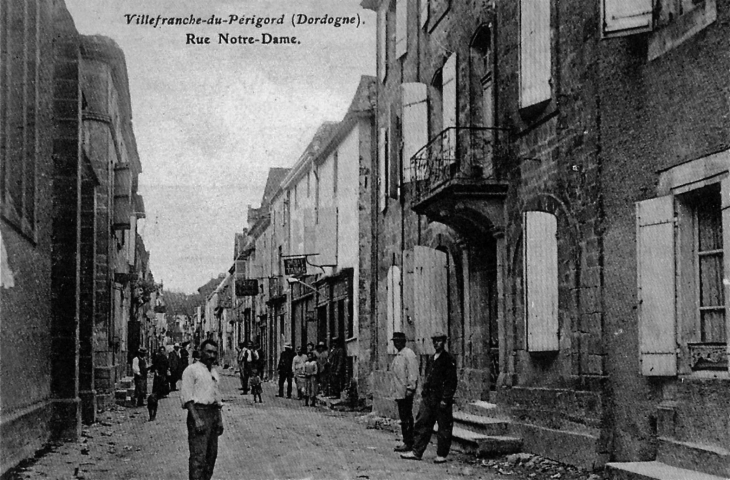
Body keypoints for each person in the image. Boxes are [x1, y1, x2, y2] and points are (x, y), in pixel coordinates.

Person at [400, 331, 457, 464]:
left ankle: (442, 454)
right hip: (429, 398)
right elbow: (428, 377)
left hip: (441, 399)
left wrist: (445, 399)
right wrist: (424, 393)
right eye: (434, 341)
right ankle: (417, 451)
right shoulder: (432, 359)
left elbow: (451, 382)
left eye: (439, 341)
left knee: (444, 427)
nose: (436, 343)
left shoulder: (448, 359)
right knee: (422, 423)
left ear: (444, 342)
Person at [181, 339, 223, 480]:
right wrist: (197, 419)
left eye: (214, 353)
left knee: (211, 457)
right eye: (209, 352)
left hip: (212, 414)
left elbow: (216, 399)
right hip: (198, 414)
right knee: (198, 457)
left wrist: (219, 420)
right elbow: (187, 398)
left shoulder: (214, 372)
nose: (212, 355)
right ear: (200, 352)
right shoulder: (191, 370)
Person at [390, 332, 419, 452]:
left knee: (407, 417)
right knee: (404, 417)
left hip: (406, 392)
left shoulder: (409, 354)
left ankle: (409, 442)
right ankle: (407, 441)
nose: (397, 343)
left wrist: (411, 388)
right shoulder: (399, 355)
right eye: (395, 341)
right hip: (399, 392)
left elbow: (413, 373)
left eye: (399, 341)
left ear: (404, 341)